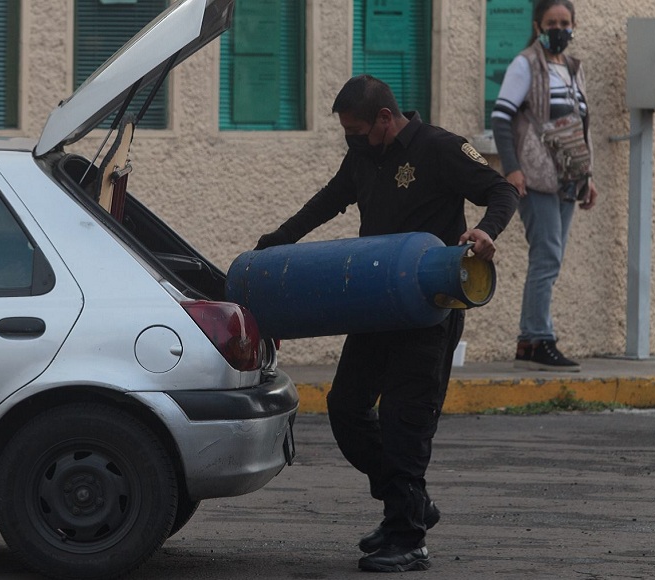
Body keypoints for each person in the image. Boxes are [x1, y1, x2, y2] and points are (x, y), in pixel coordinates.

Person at [255, 75, 517, 573]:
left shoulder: (440, 148)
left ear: (383, 117)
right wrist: (275, 243)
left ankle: (408, 536)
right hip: (376, 307)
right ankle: (408, 504)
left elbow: (501, 191)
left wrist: (485, 230)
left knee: (405, 420)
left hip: (428, 309)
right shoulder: (362, 156)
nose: (350, 138)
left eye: (355, 129)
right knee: (346, 408)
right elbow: (327, 201)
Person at [491, 0, 598, 372]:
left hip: (568, 178)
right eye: (551, 22)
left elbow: (578, 126)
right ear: (538, 26)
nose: (559, 28)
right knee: (547, 255)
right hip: (535, 176)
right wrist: (512, 169)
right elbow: (501, 117)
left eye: (565, 22)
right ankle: (538, 337)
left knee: (552, 257)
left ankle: (528, 342)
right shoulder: (526, 64)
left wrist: (589, 177)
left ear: (573, 25)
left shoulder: (571, 68)